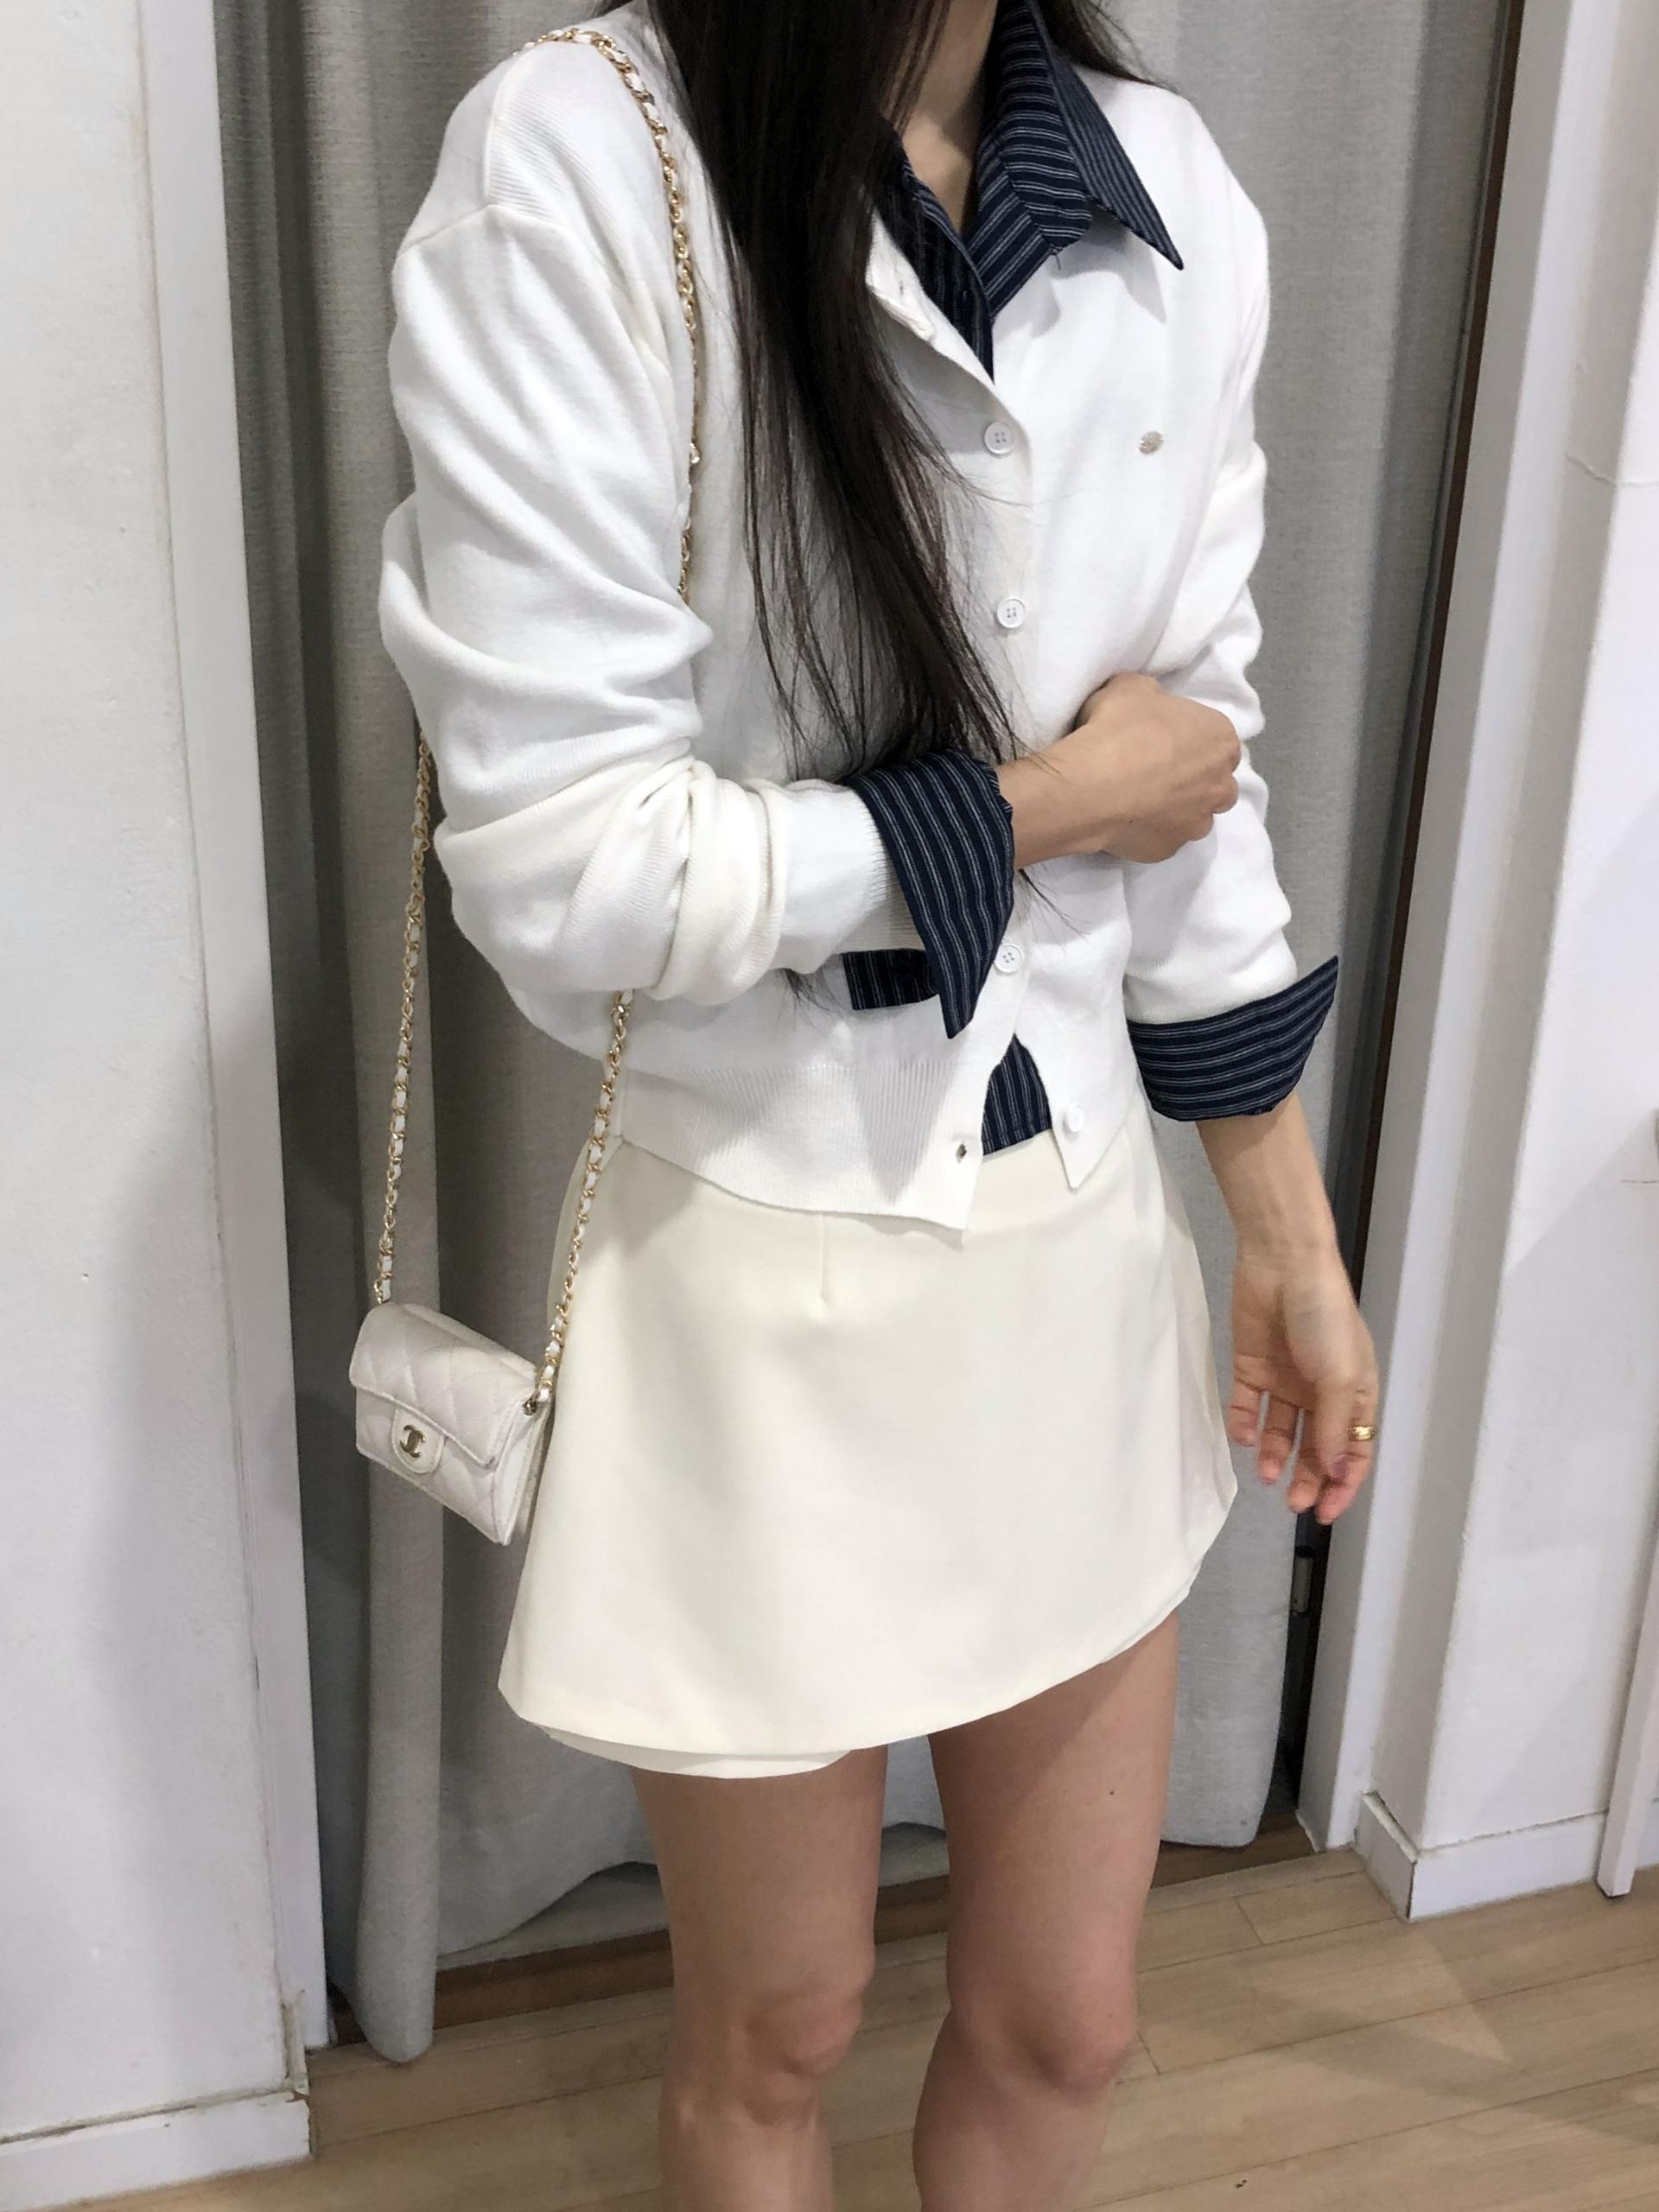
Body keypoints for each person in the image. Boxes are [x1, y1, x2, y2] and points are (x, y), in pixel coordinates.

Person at [378, 0, 1380, 2202]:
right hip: (763, 1250)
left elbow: (1194, 760)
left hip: (1076, 1225)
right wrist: (1034, 810)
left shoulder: (1159, 187)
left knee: (1068, 2010)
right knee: (779, 2021)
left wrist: (1287, 1230)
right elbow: (571, 873)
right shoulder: (581, 166)